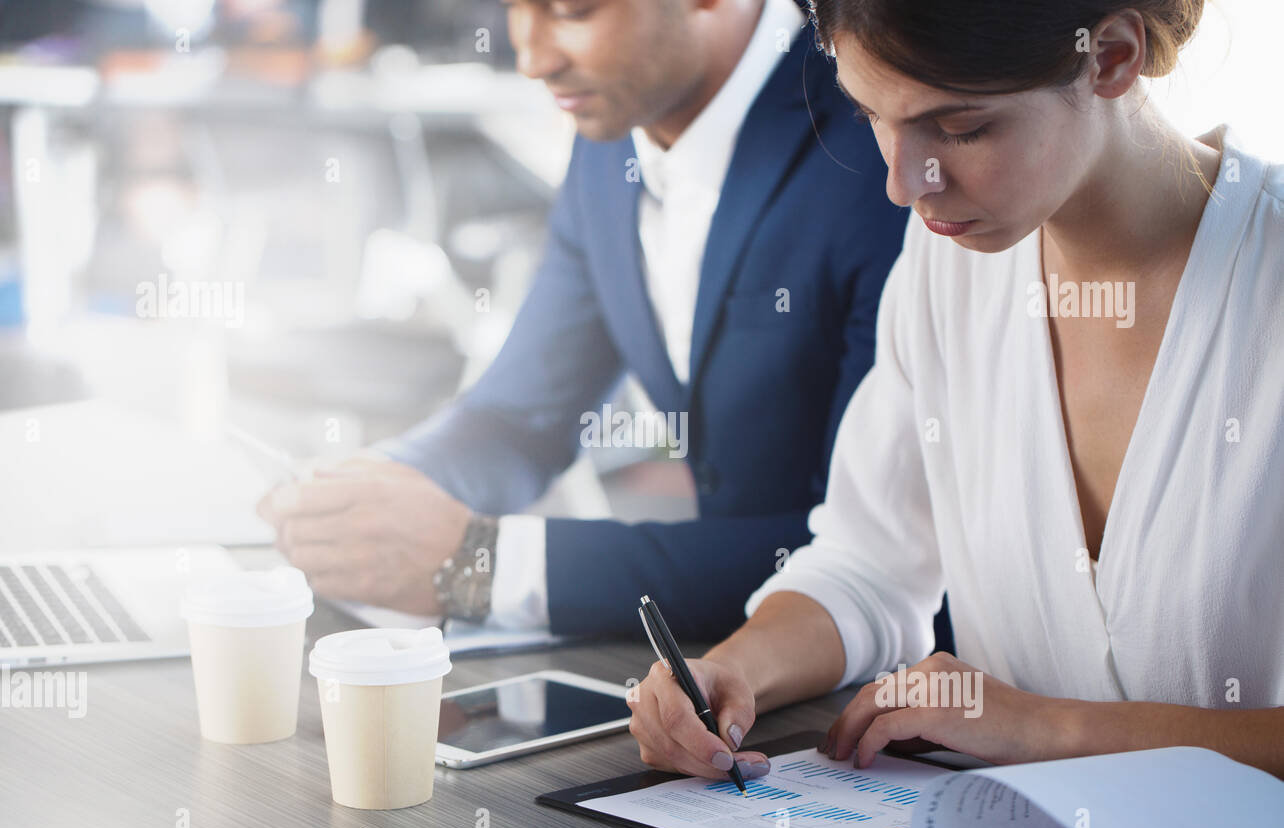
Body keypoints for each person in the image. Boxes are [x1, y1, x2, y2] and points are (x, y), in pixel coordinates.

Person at [628, 0, 1284, 782]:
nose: (904, 185)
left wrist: (1049, 727)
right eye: (874, 115)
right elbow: (870, 564)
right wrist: (736, 669)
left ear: (1109, 56)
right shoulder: (949, 264)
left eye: (961, 128)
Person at [258, 0, 955, 650]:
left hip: (897, 687)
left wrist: (486, 565)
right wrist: (367, 494)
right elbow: (521, 419)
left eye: (571, 10)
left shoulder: (885, 141)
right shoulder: (616, 126)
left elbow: (866, 551)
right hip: (726, 675)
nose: (531, 58)